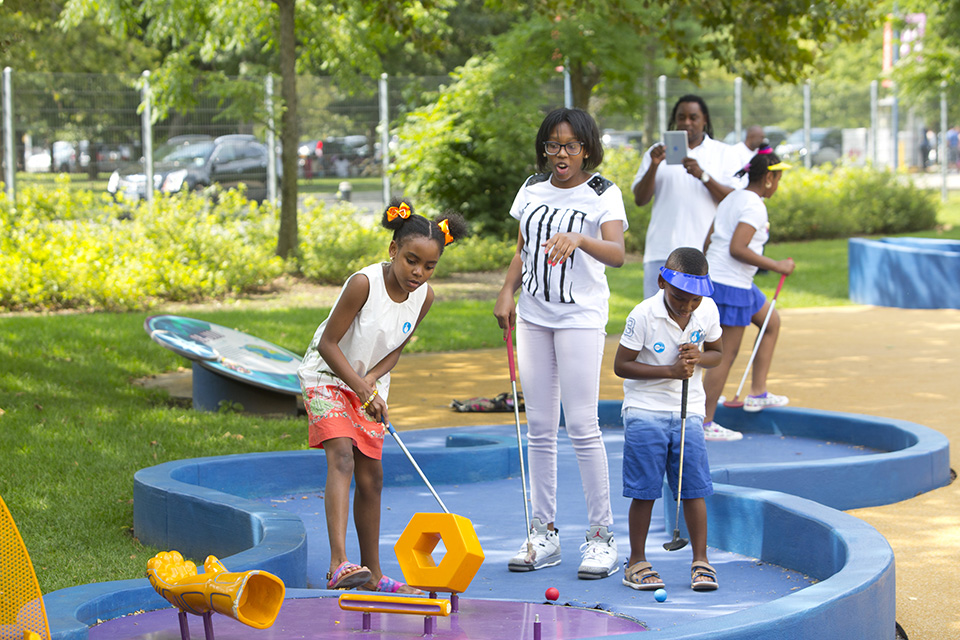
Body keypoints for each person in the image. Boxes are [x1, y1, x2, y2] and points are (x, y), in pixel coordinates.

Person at [297, 200, 467, 593]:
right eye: (411, 261)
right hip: (327, 376)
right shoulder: (364, 284)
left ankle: (372, 574)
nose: (418, 273)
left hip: (367, 384)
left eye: (429, 266)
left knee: (372, 477)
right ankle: (338, 564)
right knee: (342, 456)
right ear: (393, 250)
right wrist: (361, 387)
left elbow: (396, 348)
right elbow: (328, 344)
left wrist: (371, 382)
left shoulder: (424, 297)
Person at [494, 107, 627, 580]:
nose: (561, 154)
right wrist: (507, 291)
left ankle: (601, 536)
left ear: (586, 148)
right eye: (553, 145)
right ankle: (543, 533)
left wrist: (579, 239)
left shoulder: (603, 193)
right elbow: (522, 250)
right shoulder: (532, 187)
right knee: (540, 428)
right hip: (533, 317)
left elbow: (618, 253)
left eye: (571, 145)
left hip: (580, 318)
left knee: (583, 426)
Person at [613, 247, 723, 591]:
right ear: (662, 281)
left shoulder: (707, 310)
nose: (687, 306)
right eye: (679, 297)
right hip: (645, 410)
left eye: (694, 300)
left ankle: (701, 559)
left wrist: (700, 357)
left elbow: (718, 353)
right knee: (645, 490)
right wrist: (670, 371)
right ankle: (636, 560)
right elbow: (621, 365)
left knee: (694, 488)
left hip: (689, 411)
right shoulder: (643, 315)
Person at [701, 147, 795, 437]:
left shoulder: (733, 197)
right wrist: (777, 265)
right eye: (777, 179)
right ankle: (703, 422)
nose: (777, 185)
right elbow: (737, 248)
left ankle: (758, 392)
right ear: (768, 178)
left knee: (771, 321)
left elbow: (709, 240)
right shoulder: (755, 206)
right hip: (730, 285)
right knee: (723, 355)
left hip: (726, 279)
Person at [631, 95, 741, 301]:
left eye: (693, 117)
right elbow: (640, 199)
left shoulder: (723, 153)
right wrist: (654, 165)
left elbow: (734, 200)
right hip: (662, 251)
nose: (687, 122)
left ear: (704, 119)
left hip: (705, 253)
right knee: (656, 314)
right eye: (681, 117)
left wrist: (703, 176)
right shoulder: (657, 152)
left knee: (701, 315)